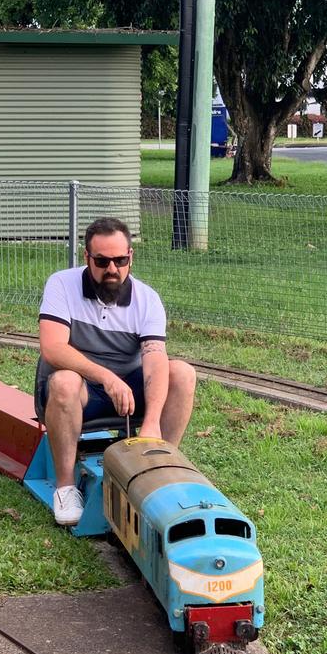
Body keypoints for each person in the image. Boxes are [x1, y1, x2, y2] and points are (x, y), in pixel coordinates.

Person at [35, 216, 197, 526]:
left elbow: (154, 358)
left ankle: (158, 467)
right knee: (66, 382)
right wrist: (107, 378)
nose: (112, 269)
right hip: (83, 389)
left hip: (129, 391)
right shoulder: (62, 284)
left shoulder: (147, 299)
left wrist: (151, 422)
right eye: (103, 261)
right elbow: (52, 348)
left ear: (130, 257)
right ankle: (66, 488)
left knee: (182, 373)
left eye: (120, 260)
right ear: (87, 258)